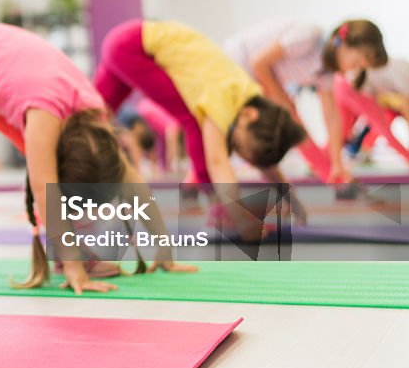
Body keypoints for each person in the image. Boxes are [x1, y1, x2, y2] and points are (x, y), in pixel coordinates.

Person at [0, 23, 194, 294]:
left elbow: (130, 178)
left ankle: (67, 248)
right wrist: (74, 270)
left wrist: (164, 249)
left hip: (0, 59)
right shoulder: (43, 113)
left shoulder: (95, 116)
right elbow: (45, 188)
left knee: (50, 166)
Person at [94, 19, 306, 239]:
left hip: (125, 39)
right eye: (241, 148)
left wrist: (291, 198)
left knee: (90, 117)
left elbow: (263, 158)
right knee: (193, 120)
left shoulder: (247, 97)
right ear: (249, 116)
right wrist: (241, 221)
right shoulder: (224, 96)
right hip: (134, 46)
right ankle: (220, 210)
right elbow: (216, 161)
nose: (240, 153)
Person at [224, 19, 388, 184]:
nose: (355, 68)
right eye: (358, 61)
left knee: (293, 127)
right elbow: (258, 63)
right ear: (344, 45)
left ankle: (333, 175)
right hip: (237, 66)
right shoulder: (309, 37)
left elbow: (331, 117)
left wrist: (337, 162)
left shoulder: (326, 73)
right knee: (278, 129)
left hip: (258, 79)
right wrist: (283, 100)